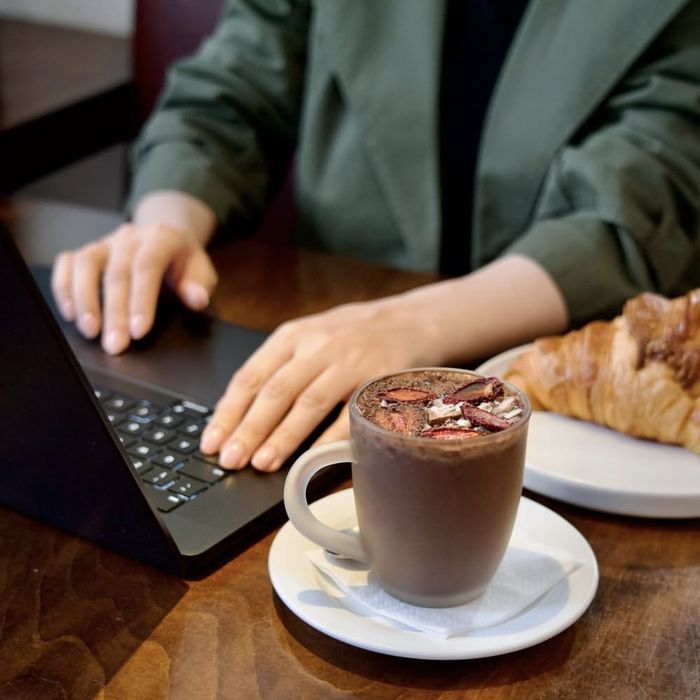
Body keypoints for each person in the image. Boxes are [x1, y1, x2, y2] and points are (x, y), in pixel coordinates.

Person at [51, 0, 700, 473]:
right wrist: (166, 222)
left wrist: (412, 324)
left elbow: (643, 198)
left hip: (570, 419)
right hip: (320, 345)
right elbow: (230, 92)